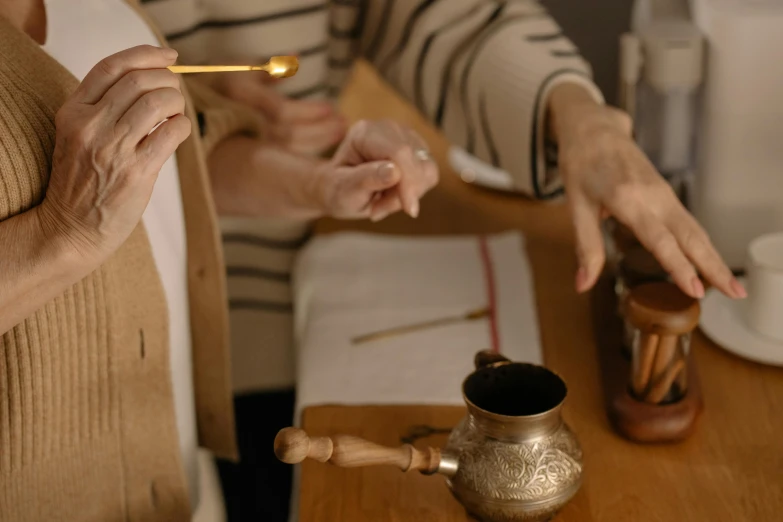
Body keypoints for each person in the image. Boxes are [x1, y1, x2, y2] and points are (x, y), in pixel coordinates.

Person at [0, 0, 439, 520]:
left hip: (177, 472)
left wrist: (325, 183)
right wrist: (66, 231)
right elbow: (85, 198)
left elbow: (187, 153)